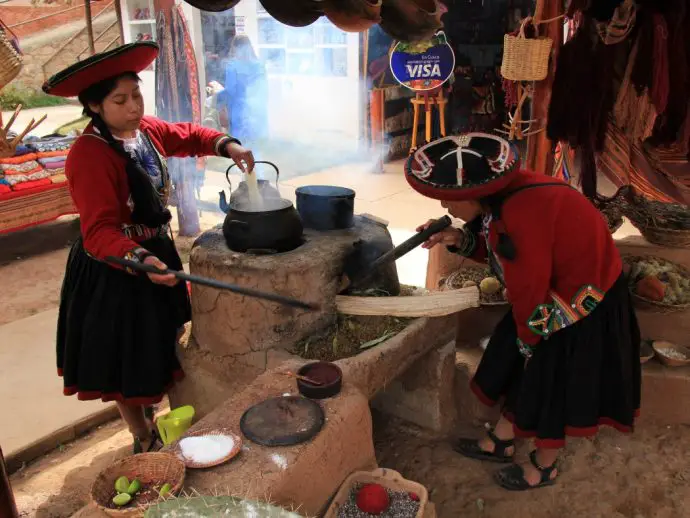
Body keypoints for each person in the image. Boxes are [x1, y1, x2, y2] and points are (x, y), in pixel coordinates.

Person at [43, 42, 255, 454]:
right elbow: (99, 230)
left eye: (136, 95)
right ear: (95, 106)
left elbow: (189, 134)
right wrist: (140, 259)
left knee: (161, 341)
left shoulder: (145, 134)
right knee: (126, 358)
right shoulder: (89, 156)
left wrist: (227, 145)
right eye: (119, 100)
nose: (133, 107)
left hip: (155, 253)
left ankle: (165, 413)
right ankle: (141, 433)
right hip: (115, 268)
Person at [408, 133, 641, 491]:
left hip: (583, 295)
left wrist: (531, 342)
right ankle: (502, 440)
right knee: (514, 349)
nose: (446, 207)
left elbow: (527, 287)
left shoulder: (522, 213)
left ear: (475, 195)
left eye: (451, 200)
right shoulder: (504, 196)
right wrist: (460, 238)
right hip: (555, 283)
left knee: (548, 375)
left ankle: (543, 466)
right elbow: (500, 246)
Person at [221, 35, 269, 143]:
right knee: (257, 148)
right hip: (258, 113)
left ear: (235, 48)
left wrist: (218, 96)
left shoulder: (232, 66)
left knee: (241, 148)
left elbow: (231, 91)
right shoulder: (260, 65)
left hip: (239, 113)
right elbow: (265, 91)